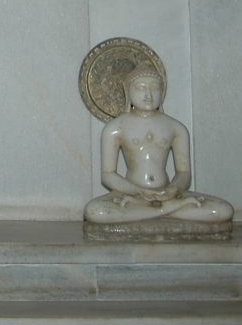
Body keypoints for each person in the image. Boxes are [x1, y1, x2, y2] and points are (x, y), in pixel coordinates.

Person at [84, 69, 231, 224]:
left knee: (223, 210)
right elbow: (107, 175)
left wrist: (173, 189)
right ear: (128, 92)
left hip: (167, 194)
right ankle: (167, 210)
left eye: (154, 88)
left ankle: (152, 210)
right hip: (131, 194)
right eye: (140, 88)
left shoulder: (176, 127)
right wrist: (137, 191)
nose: (148, 95)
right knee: (95, 211)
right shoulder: (115, 128)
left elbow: (184, 173)